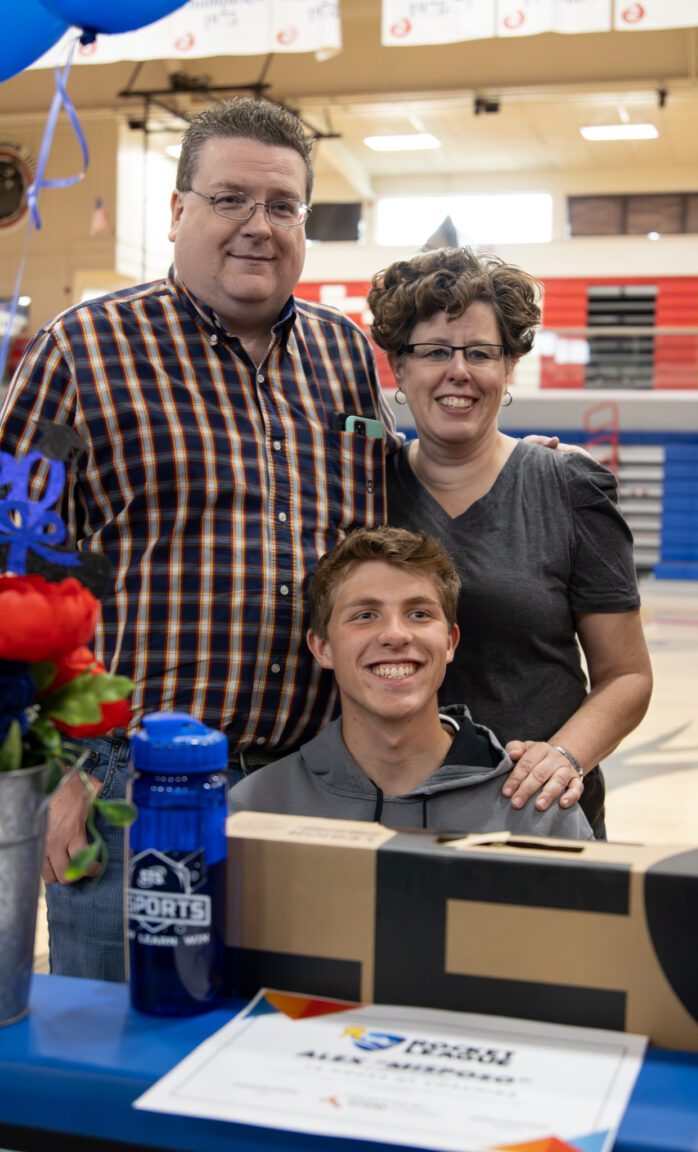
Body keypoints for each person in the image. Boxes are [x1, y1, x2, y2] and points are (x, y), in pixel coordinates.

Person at [0, 98, 400, 982]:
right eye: (229, 200)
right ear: (177, 211)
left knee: (287, 1048)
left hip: (310, 782)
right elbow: (9, 579)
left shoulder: (346, 357)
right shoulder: (83, 351)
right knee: (116, 1062)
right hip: (125, 787)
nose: (259, 227)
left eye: (283, 206)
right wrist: (52, 776)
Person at [369, 247, 653, 837]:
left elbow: (627, 675)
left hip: (534, 814)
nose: (459, 371)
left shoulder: (569, 485)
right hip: (392, 810)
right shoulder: (362, 489)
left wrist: (565, 757)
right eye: (435, 352)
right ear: (399, 366)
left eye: (481, 353)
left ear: (510, 367)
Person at [230, 526, 593, 840]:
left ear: (450, 642)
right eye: (365, 615)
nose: (395, 635)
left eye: (419, 614)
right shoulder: (254, 811)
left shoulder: (538, 809)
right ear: (322, 648)